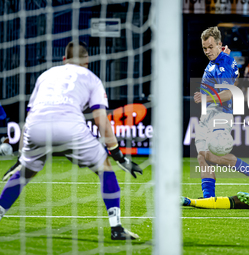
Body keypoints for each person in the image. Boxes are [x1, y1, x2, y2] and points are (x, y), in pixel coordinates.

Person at [0, 41, 143, 240]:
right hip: (69, 127)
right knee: (104, 166)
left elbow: (29, 116)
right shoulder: (91, 78)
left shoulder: (46, 75)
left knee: (26, 172)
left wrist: (22, 158)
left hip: (35, 128)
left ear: (64, 59)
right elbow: (101, 120)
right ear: (87, 60)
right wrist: (118, 155)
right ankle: (116, 227)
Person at [194, 26, 249, 199]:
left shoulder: (222, 64)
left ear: (219, 44)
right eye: (204, 48)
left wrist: (206, 98)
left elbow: (230, 92)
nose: (207, 51)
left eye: (210, 47)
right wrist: (226, 57)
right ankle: (208, 197)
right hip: (208, 113)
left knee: (213, 156)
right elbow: (235, 82)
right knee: (202, 156)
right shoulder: (222, 59)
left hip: (221, 113)